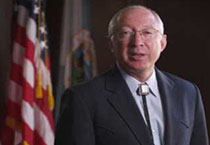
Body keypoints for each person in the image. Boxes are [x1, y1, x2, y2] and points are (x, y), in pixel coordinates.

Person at [55, 5, 209, 145]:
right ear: (111, 44)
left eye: (147, 32)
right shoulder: (82, 98)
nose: (137, 42)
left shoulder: (188, 93)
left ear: (162, 43)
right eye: (126, 33)